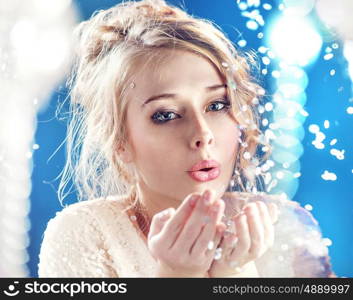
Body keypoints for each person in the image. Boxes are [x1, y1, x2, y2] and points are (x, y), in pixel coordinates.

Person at [38, 0, 335, 277]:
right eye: (166, 115)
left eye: (217, 105)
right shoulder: (85, 233)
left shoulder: (286, 227)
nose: (202, 134)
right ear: (120, 142)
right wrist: (177, 276)